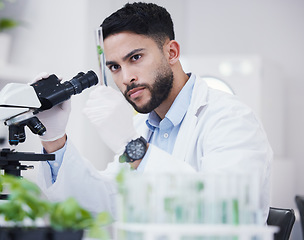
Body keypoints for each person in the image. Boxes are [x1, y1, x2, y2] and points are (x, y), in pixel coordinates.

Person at [35, 2, 272, 223]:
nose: (126, 78)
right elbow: (106, 202)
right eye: (115, 67)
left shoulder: (230, 118)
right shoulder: (142, 129)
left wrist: (132, 146)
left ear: (171, 53)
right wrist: (54, 139)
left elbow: (227, 212)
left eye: (135, 57)